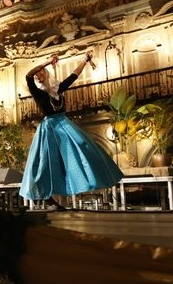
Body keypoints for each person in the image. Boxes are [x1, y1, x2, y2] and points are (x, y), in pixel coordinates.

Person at [20, 51, 124, 209]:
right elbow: (28, 76)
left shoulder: (58, 89)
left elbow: (73, 76)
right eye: (37, 74)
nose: (37, 76)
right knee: (47, 163)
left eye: (40, 73)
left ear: (47, 75)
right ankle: (45, 196)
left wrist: (85, 60)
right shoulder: (38, 93)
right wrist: (48, 61)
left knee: (84, 149)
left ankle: (87, 180)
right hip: (50, 129)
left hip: (64, 125)